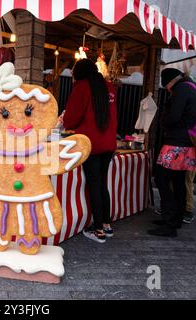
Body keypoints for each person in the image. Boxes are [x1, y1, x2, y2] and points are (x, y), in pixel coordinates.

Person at [62, 59, 118, 244]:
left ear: (79, 72)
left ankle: (98, 229)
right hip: (108, 143)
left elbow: (70, 118)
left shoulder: (82, 87)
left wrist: (71, 125)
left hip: (90, 144)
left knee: (94, 184)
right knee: (102, 183)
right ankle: (107, 225)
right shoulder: (109, 87)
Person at [148, 68, 196, 237]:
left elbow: (174, 116)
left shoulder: (181, 89)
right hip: (187, 143)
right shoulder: (191, 87)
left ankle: (169, 224)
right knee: (178, 182)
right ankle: (175, 219)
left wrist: (164, 119)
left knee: (162, 179)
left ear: (170, 81)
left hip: (176, 143)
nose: (168, 88)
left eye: (167, 85)